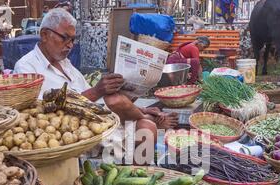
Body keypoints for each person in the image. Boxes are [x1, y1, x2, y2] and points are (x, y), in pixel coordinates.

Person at [14, 9, 177, 154]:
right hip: (71, 131)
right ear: (44, 35)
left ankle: (138, 179)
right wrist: (98, 90)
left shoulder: (65, 63)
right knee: (117, 102)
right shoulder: (26, 67)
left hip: (98, 120)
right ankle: (147, 117)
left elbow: (93, 99)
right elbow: (44, 110)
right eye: (65, 38)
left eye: (73, 40)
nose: (70, 45)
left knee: (146, 128)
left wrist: (133, 101)